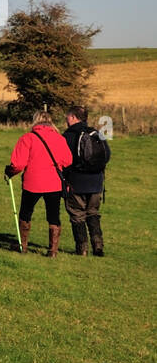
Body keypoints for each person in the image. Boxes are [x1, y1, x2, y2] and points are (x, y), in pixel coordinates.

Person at [4, 111, 74, 256]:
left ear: (35, 121)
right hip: (54, 183)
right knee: (53, 215)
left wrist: (10, 172)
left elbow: (19, 163)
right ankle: (52, 250)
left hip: (32, 182)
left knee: (25, 213)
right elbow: (68, 160)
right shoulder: (59, 138)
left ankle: (23, 246)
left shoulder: (27, 138)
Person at [62, 106, 111, 256]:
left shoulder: (68, 136)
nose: (66, 119)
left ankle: (82, 248)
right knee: (93, 213)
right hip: (96, 182)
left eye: (67, 117)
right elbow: (107, 155)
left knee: (77, 214)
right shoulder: (96, 133)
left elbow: (63, 160)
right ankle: (98, 245)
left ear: (73, 117)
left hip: (76, 181)